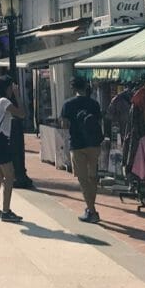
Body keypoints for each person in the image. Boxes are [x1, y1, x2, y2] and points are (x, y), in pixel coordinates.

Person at [61, 75, 105, 223]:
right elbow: (98, 122)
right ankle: (90, 208)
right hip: (94, 144)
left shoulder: (68, 105)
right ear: (86, 87)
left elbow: (65, 125)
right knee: (92, 177)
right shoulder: (94, 104)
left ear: (73, 88)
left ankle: (92, 211)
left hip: (77, 144)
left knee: (83, 179)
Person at [0, 75, 24, 222]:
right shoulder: (4, 101)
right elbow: (21, 113)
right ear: (7, 88)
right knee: (9, 176)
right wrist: (17, 95)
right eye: (11, 87)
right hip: (2, 141)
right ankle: (6, 211)